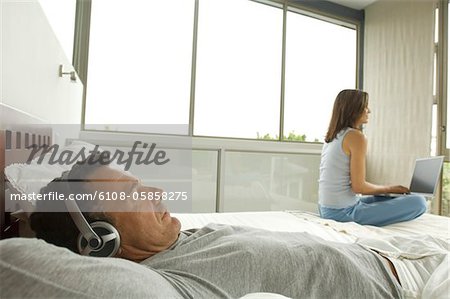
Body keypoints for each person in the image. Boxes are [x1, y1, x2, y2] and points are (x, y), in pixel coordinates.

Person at [30, 154, 403, 299]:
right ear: (99, 240)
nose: (158, 191)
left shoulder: (172, 241)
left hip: (388, 256)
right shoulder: (166, 284)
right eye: (134, 192)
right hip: (403, 283)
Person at [318, 89, 427, 226]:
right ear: (353, 109)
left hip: (326, 208)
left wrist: (391, 192)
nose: (368, 111)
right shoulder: (356, 137)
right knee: (419, 202)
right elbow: (359, 187)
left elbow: (355, 188)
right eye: (365, 106)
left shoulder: (333, 136)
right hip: (342, 213)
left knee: (388, 198)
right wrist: (392, 188)